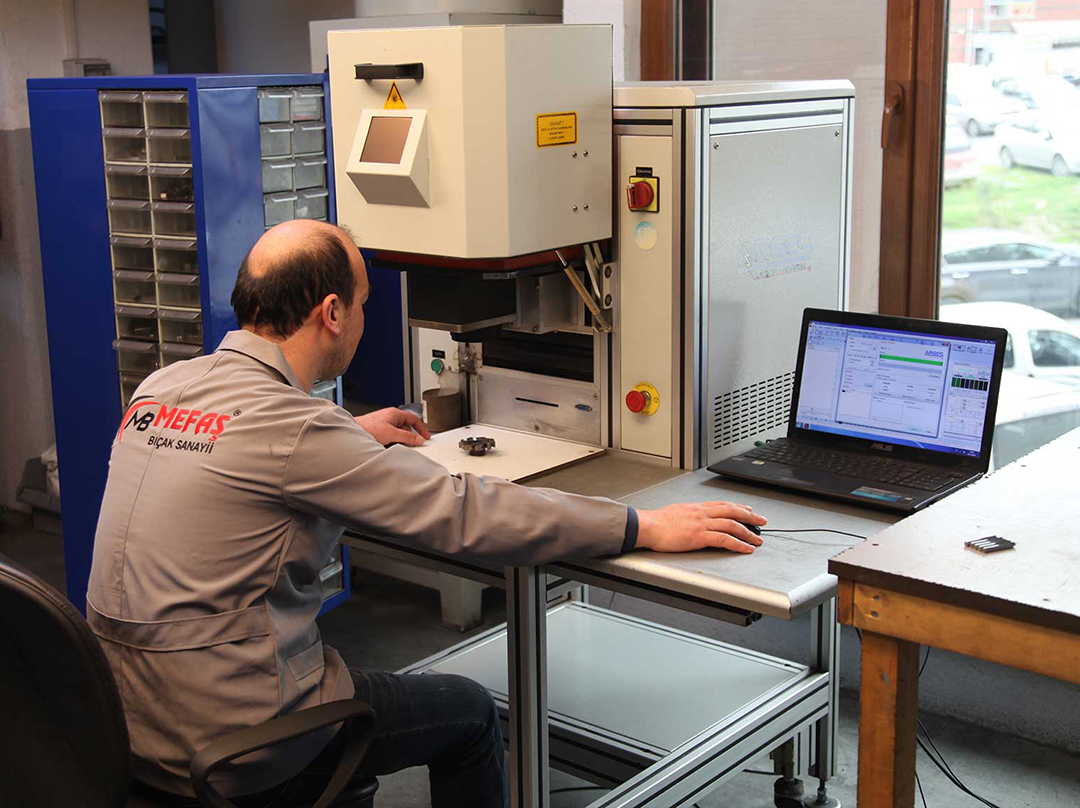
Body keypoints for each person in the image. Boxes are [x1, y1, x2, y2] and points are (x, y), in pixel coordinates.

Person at [87, 219, 767, 807]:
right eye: (363, 303)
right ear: (332, 312)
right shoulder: (299, 432)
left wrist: (350, 435)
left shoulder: (163, 387)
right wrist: (641, 524)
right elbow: (462, 511)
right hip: (240, 745)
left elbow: (243, 452)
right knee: (470, 713)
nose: (363, 318)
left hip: (125, 725)